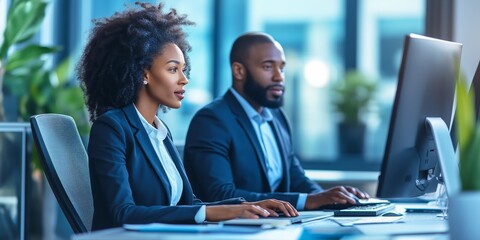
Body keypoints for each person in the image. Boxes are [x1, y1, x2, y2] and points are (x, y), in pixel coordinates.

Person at [77, 4, 298, 231]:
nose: (184, 79)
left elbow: (187, 205)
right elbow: (122, 212)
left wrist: (248, 206)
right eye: (173, 69)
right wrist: (213, 212)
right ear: (144, 74)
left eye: (184, 69)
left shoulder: (160, 132)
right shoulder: (112, 128)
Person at [184, 32, 370, 211]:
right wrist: (308, 200)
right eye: (267, 67)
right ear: (239, 71)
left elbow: (297, 179)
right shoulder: (212, 120)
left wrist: (332, 199)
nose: (279, 77)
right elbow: (220, 195)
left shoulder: (277, 117)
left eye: (281, 68)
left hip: (277, 226)